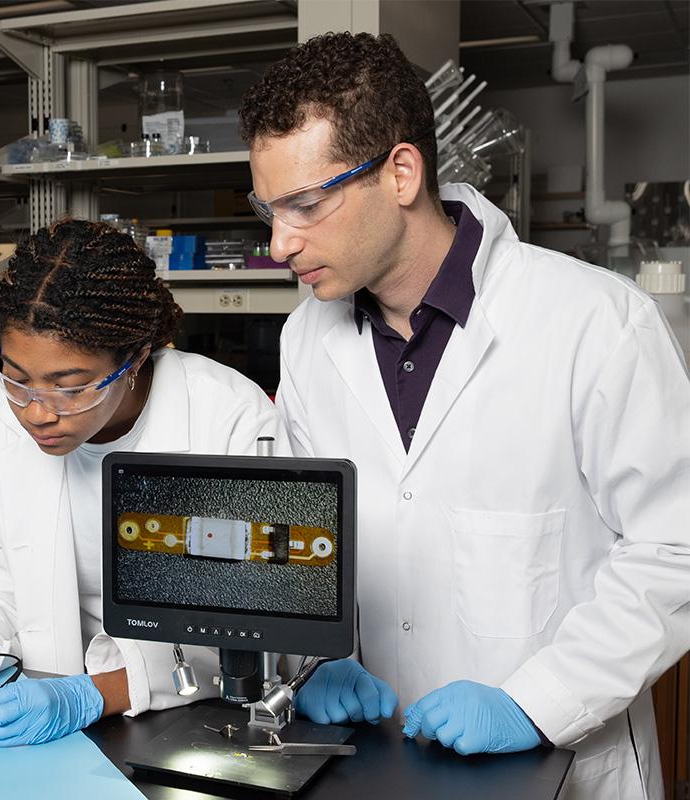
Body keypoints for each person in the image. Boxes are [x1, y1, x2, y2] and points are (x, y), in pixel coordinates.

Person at [240, 31, 690, 799]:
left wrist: (534, 702)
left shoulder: (593, 322)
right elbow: (304, 541)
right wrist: (316, 657)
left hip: (565, 765)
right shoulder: (307, 341)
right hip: (378, 764)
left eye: (306, 206)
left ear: (402, 172)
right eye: (267, 209)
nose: (280, 242)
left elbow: (675, 546)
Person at [0, 219, 288, 746]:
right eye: (16, 378)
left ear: (135, 358)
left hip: (189, 716)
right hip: (35, 696)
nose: (36, 412)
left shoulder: (224, 418)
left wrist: (89, 695)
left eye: (69, 387)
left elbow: (258, 625)